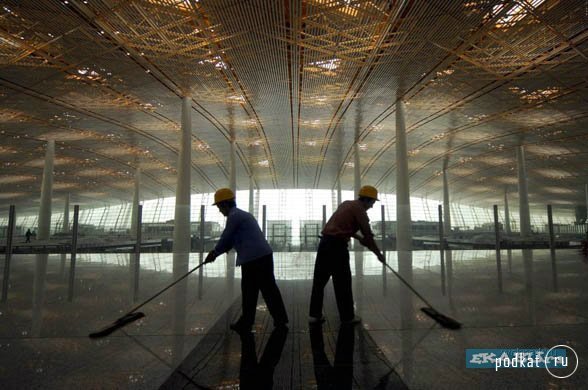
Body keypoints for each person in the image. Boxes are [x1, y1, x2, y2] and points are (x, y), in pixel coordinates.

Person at [205, 188, 289, 333]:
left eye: (219, 207)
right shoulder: (240, 215)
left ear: (225, 204)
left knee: (262, 290)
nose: (219, 210)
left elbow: (227, 236)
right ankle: (256, 321)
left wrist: (215, 252)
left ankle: (271, 320)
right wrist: (217, 252)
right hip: (258, 257)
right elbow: (231, 240)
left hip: (256, 259)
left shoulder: (234, 216)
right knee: (256, 290)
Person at [308, 185, 385, 325]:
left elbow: (342, 226)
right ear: (367, 200)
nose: (372, 206)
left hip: (325, 244)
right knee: (343, 283)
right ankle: (347, 317)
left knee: (319, 282)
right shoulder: (361, 211)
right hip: (337, 248)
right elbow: (368, 236)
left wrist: (359, 238)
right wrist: (379, 255)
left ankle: (315, 315)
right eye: (372, 203)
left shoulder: (346, 204)